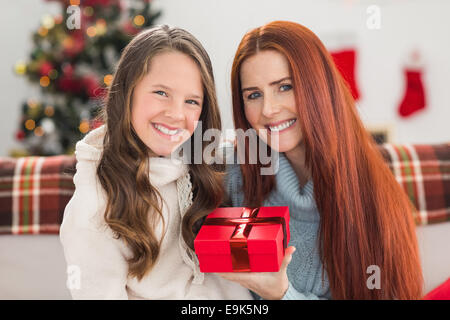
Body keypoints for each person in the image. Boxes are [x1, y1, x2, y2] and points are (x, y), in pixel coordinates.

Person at [219, 20, 424, 300]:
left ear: (319, 88)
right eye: (253, 95)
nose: (268, 109)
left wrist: (283, 295)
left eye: (285, 87)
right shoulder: (237, 171)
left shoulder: (373, 201)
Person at [59, 25, 252, 300]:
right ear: (128, 92)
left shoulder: (202, 165)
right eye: (161, 93)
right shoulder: (93, 210)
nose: (176, 114)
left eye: (192, 101)